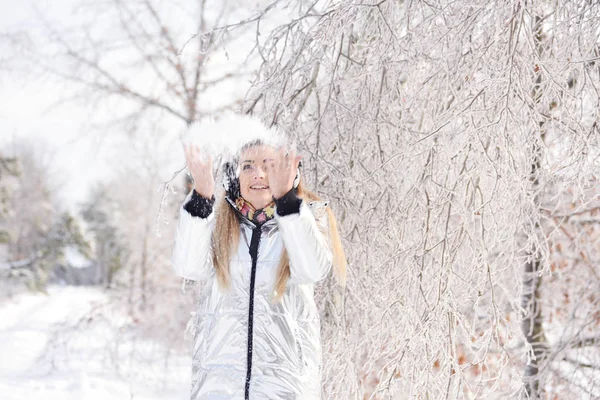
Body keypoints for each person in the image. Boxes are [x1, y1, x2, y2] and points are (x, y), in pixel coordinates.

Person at [172, 116, 346, 400]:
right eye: (248, 166)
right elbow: (188, 266)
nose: (258, 174)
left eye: (269, 166)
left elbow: (313, 269)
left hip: (284, 389)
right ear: (234, 177)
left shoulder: (307, 219)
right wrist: (202, 197)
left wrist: (288, 203)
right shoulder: (216, 224)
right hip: (219, 389)